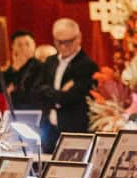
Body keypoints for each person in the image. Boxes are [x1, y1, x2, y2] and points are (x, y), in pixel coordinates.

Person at [35, 18, 98, 152]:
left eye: (68, 42)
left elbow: (72, 97)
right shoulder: (50, 62)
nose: (63, 46)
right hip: (48, 131)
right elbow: (37, 91)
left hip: (74, 129)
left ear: (79, 38)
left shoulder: (87, 66)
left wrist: (50, 92)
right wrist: (58, 93)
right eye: (59, 42)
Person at [2, 29, 43, 110]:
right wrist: (14, 69)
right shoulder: (12, 68)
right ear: (13, 47)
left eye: (27, 44)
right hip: (14, 111)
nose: (24, 48)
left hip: (35, 112)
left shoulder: (42, 67)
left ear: (34, 46)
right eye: (19, 45)